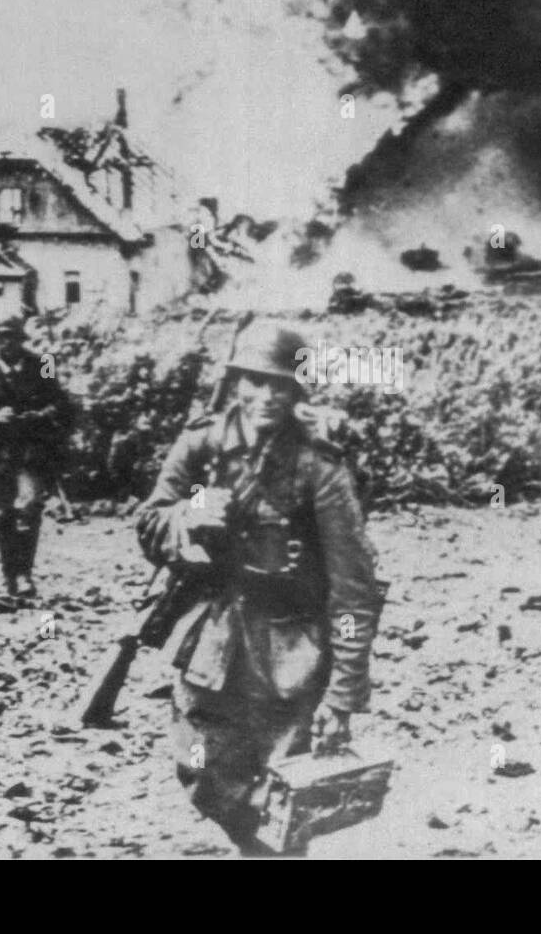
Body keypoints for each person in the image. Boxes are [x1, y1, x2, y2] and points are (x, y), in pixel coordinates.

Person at [133, 320, 384, 855]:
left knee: (285, 790)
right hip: (214, 640)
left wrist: (341, 696)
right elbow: (150, 522)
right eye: (255, 381)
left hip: (293, 650)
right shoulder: (203, 443)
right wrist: (192, 512)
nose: (267, 395)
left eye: (281, 385)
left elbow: (355, 589)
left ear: (298, 393)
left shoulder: (319, 466)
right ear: (235, 383)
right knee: (203, 772)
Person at [0, 315, 72, 598]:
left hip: (31, 451)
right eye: (1, 338)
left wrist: (40, 416)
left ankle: (25, 574)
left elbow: (62, 403)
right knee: (3, 515)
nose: (7, 343)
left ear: (21, 339)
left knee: (30, 506)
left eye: (11, 337)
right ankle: (9, 575)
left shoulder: (43, 364)